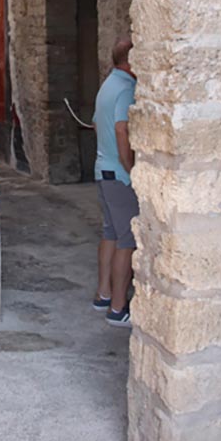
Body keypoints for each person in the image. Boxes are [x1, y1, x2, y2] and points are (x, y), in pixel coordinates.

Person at [92, 36, 138, 327]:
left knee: (110, 233)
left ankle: (103, 294)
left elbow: (97, 123)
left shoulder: (107, 85)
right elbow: (122, 129)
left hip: (102, 169)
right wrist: (130, 167)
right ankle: (119, 308)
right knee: (128, 240)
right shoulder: (126, 88)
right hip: (119, 175)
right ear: (131, 61)